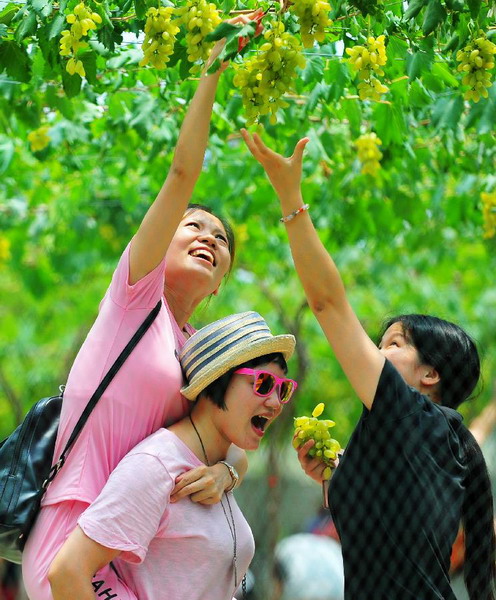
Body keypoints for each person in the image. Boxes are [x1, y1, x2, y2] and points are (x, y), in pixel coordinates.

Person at [21, 16, 261, 599]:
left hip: (131, 553)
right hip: (71, 545)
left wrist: (229, 472)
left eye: (221, 240)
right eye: (193, 227)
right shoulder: (136, 299)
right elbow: (183, 172)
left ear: (221, 283)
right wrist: (215, 62)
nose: (208, 237)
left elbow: (229, 435)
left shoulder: (199, 349)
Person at [241, 129, 496, 600]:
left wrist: (290, 197)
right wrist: (338, 472)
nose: (376, 352)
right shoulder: (436, 438)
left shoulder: (411, 413)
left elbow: (327, 305)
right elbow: (396, 524)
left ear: (430, 375)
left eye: (393, 343)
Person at [47, 311, 297, 600]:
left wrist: (227, 473)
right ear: (217, 379)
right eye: (263, 383)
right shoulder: (156, 465)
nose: (276, 402)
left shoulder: (215, 462)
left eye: (283, 389)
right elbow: (68, 571)